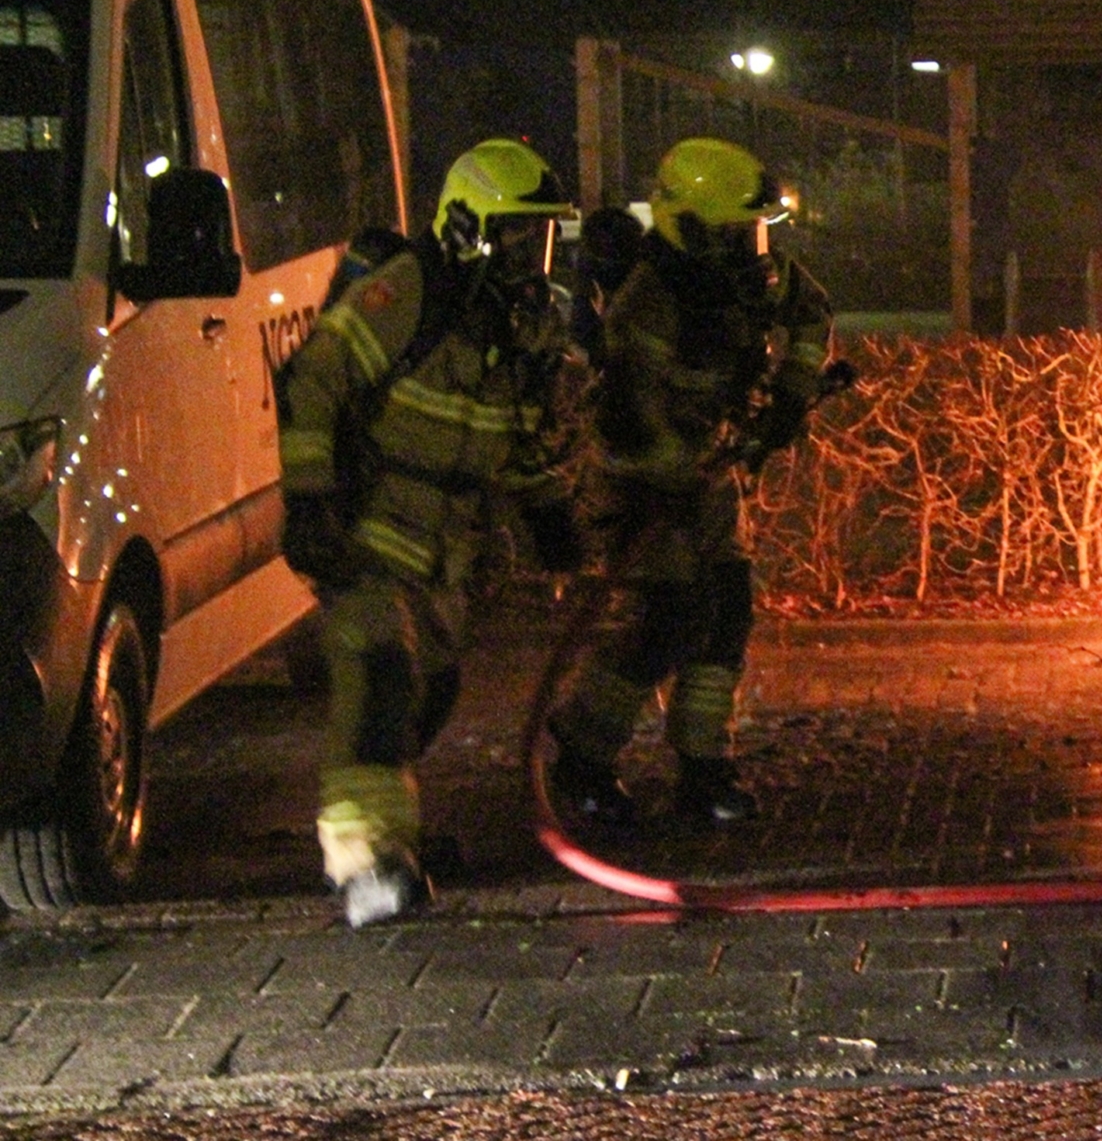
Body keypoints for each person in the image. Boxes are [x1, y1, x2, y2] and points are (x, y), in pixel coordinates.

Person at [278, 138, 582, 926]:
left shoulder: (522, 329)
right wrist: (310, 500)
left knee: (431, 691)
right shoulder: (407, 292)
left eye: (540, 235)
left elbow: (515, 435)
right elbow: (315, 379)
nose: (529, 254)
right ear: (467, 226)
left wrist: (548, 511)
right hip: (368, 531)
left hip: (446, 550)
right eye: (516, 233)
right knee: (378, 674)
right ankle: (365, 868)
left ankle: (391, 832)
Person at [548, 138, 833, 827]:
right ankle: (582, 757)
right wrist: (676, 472)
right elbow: (628, 417)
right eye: (735, 232)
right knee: (665, 622)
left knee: (726, 612)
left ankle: (704, 769)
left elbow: (812, 313)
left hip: (701, 476)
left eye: (755, 232)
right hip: (640, 484)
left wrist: (791, 396)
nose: (750, 247)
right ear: (691, 227)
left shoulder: (753, 277)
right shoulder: (648, 302)